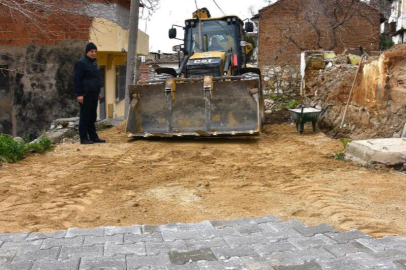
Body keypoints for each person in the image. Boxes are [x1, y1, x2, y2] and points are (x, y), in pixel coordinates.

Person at [74, 42, 106, 145]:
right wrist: (79, 94)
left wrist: (98, 92)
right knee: (85, 117)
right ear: (87, 52)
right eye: (92, 51)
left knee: (92, 116)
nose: (93, 53)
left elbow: (96, 79)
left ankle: (93, 137)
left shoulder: (94, 63)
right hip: (85, 94)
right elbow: (77, 80)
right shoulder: (81, 63)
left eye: (95, 51)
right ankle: (83, 138)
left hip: (94, 94)